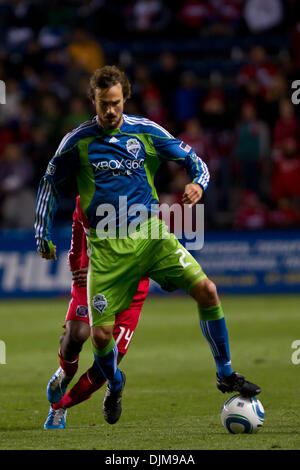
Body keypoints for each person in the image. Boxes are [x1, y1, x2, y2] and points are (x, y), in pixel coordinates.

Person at [35, 65, 261, 426]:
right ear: (92, 100)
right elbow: (49, 184)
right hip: (107, 250)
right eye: (103, 104)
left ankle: (225, 373)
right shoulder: (77, 141)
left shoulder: (145, 132)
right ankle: (115, 383)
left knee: (207, 290)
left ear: (125, 98)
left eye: (116, 103)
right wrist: (42, 233)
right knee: (98, 336)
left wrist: (198, 185)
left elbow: (196, 162)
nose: (110, 111)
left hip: (153, 237)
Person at [44, 195, 149, 429]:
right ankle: (66, 370)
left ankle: (59, 407)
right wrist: (79, 269)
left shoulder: (143, 201)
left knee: (104, 368)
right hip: (91, 279)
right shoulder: (87, 197)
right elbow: (77, 239)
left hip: (131, 288)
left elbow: (145, 255)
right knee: (77, 334)